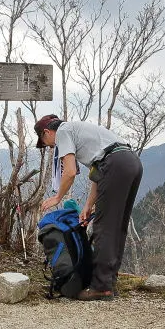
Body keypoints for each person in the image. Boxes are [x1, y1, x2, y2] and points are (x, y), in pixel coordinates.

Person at [35, 114, 143, 301]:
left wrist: (57, 197)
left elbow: (69, 171)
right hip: (131, 163)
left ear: (47, 132)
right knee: (117, 227)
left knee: (104, 228)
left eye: (46, 143)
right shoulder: (81, 130)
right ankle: (109, 282)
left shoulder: (63, 131)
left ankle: (101, 287)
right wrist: (87, 206)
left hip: (115, 165)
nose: (51, 147)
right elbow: (98, 172)